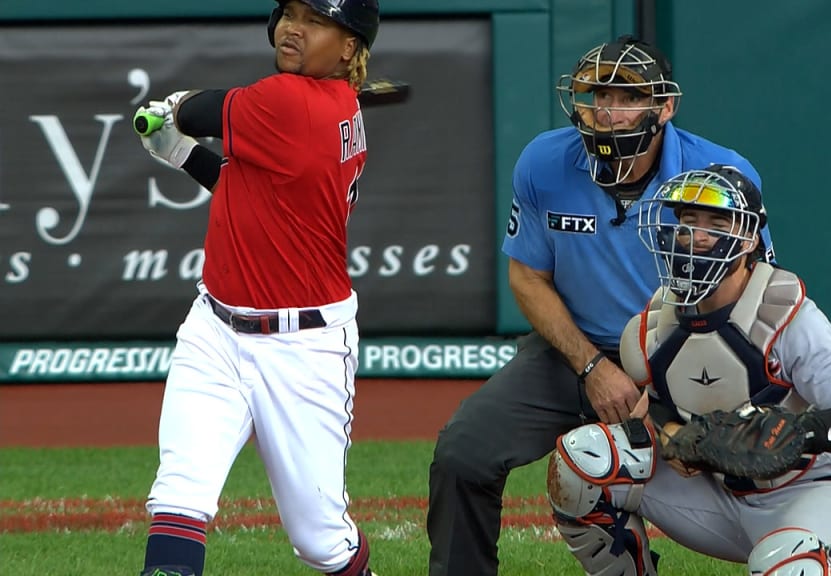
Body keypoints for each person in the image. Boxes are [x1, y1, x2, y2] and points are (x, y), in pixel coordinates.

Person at [427, 35, 776, 575]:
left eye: (627, 95)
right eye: (594, 94)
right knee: (463, 452)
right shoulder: (545, 161)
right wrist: (592, 367)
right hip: (573, 347)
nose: (606, 111)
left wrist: (670, 379)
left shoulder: (721, 175)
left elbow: (756, 290)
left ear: (666, 106)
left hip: (688, 347)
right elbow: (526, 277)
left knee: (766, 467)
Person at [546, 164, 831, 576]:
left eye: (716, 222)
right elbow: (655, 408)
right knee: (582, 462)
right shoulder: (654, 326)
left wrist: (798, 433)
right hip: (718, 496)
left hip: (813, 491)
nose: (696, 235)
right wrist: (675, 436)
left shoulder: (784, 316)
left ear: (749, 239)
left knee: (789, 570)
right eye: (688, 220)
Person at [132, 1, 378, 575]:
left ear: (348, 49)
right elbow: (249, 190)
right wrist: (182, 153)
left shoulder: (290, 101)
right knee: (180, 492)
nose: (294, 27)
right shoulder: (319, 106)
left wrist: (173, 109)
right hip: (214, 329)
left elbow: (199, 108)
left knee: (321, 542)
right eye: (290, 12)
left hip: (306, 347)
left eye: (315, 20)